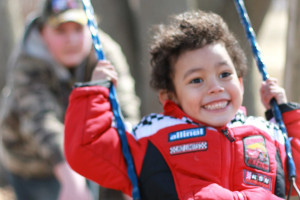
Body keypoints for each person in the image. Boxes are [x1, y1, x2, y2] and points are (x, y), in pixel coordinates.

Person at [64, 10, 300, 199]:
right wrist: (95, 91)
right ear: (170, 97)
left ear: (240, 81)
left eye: (225, 74)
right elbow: (88, 148)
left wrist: (288, 117)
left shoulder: (267, 134)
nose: (215, 87)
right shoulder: (152, 138)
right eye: (196, 80)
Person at [0, 0, 140, 199]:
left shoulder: (105, 54)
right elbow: (41, 120)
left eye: (77, 29)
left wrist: (130, 161)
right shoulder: (27, 60)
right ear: (43, 32)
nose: (71, 40)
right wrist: (71, 178)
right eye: (60, 31)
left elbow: (124, 107)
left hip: (88, 154)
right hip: (33, 163)